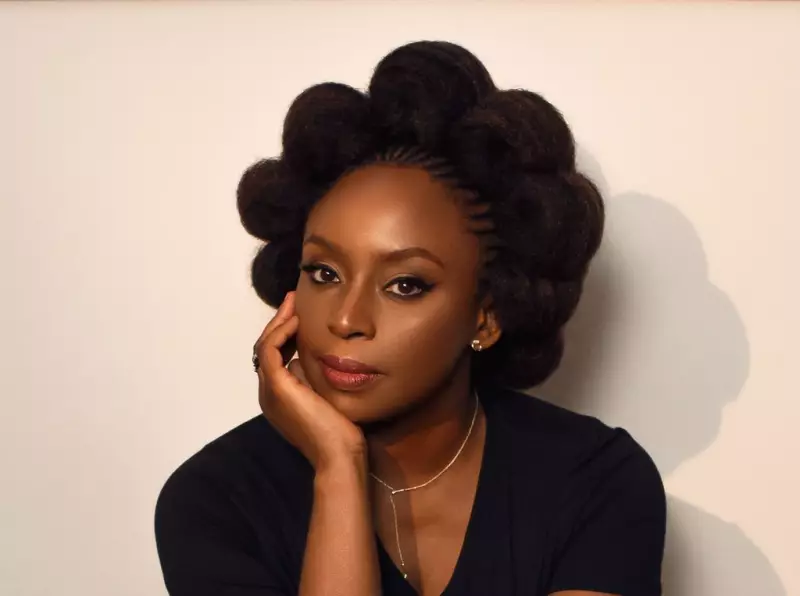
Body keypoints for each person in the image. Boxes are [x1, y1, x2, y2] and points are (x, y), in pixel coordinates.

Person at [154, 41, 666, 596]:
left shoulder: (594, 481)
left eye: (405, 285)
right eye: (324, 272)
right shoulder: (216, 501)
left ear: (487, 316)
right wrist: (338, 469)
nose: (346, 319)